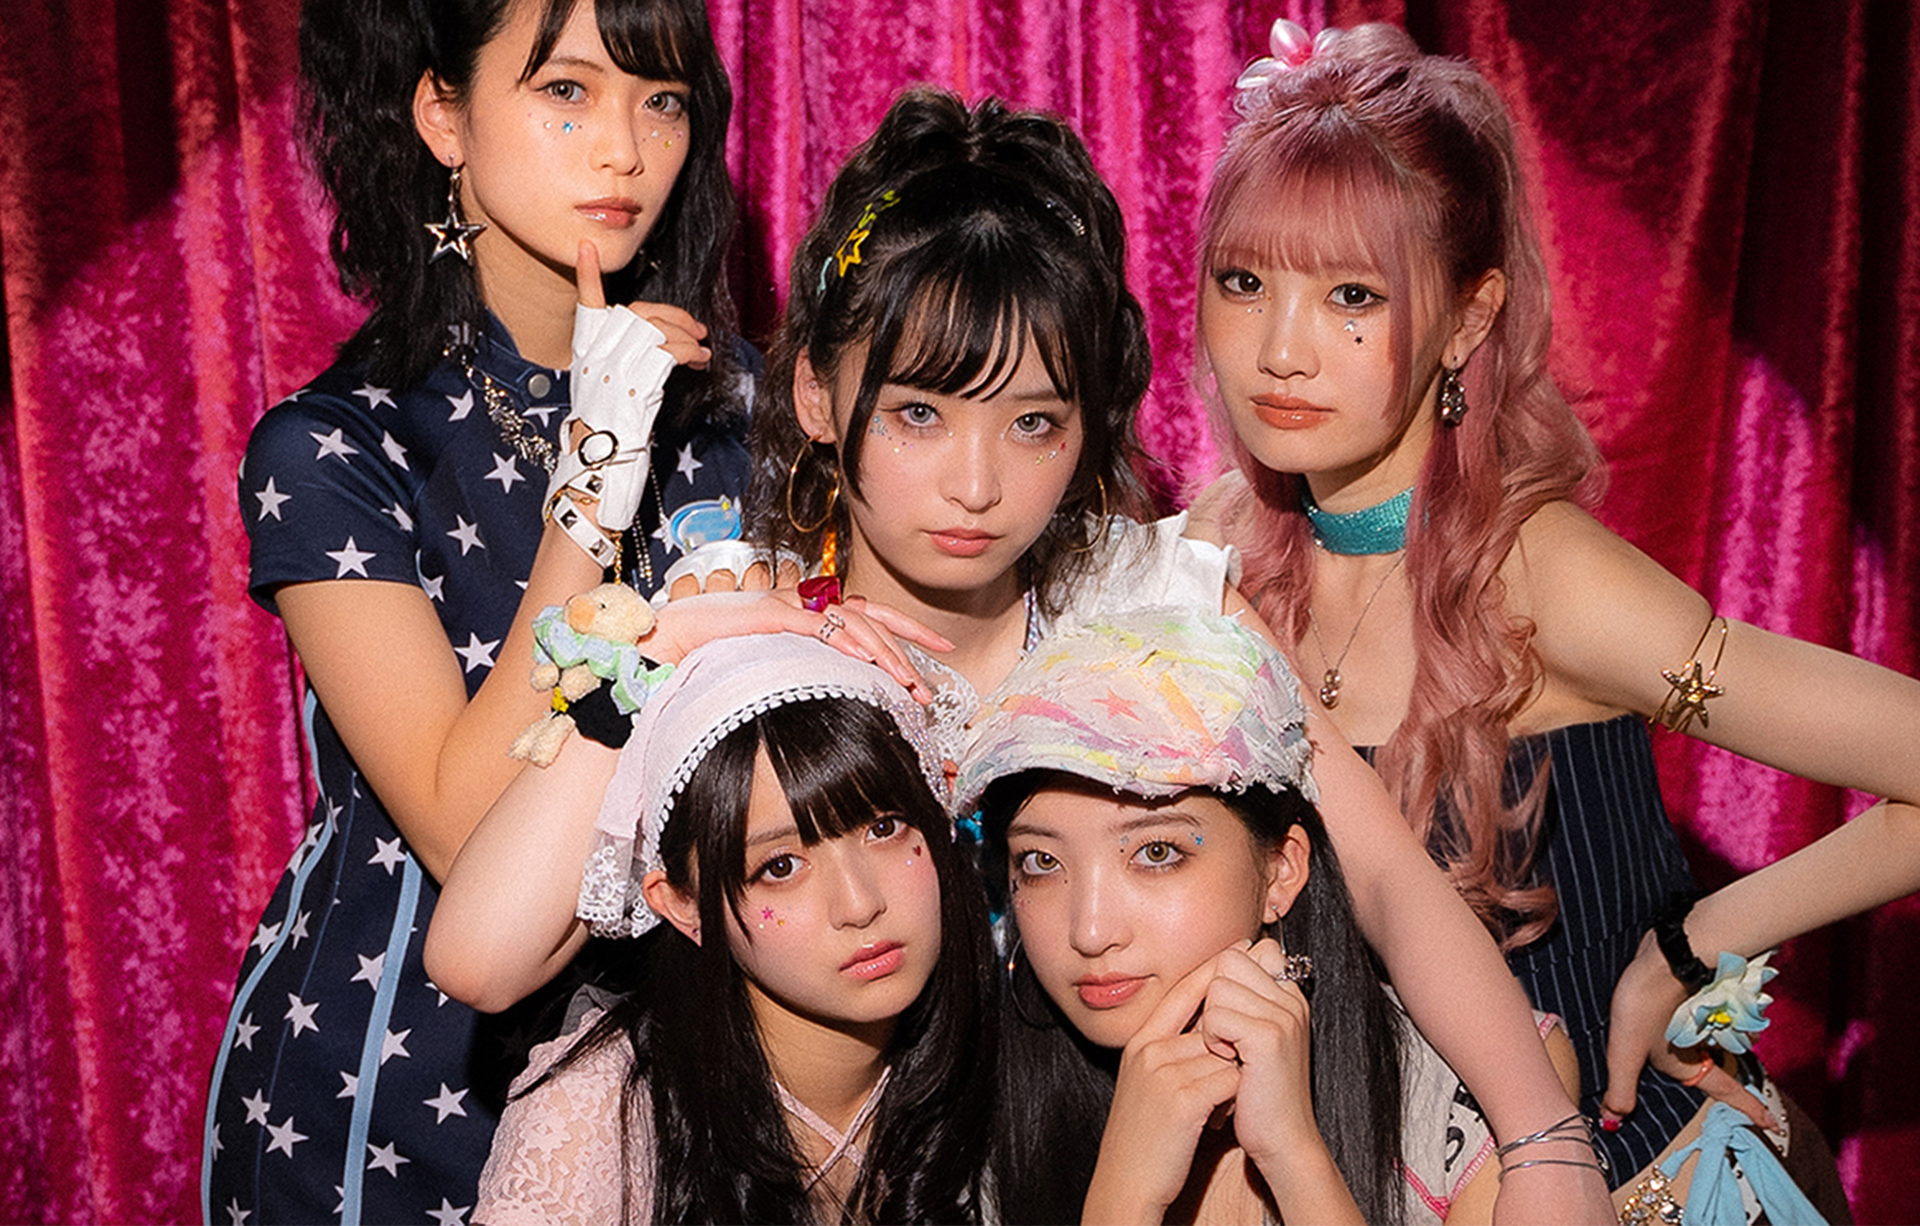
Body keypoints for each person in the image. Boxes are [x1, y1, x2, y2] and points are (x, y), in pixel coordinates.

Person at [430, 85, 1611, 1220]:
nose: (979, 484)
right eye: (920, 414)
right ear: (820, 395)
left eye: (1034, 422)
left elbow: (1387, 877)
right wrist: (680, 640)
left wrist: (1544, 1139)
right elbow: (483, 962)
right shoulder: (750, 636)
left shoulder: (1154, 602)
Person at [1189, 17, 1919, 1209]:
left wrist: (1691, 945)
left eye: (1352, 295)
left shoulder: (1543, 578)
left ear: (1468, 320)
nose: (1279, 348)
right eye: (1245, 282)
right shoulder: (1215, 556)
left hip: (1651, 1187)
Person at [201, 0, 798, 1224]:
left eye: (662, 100)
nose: (626, 149)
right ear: (443, 118)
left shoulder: (746, 407)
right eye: (566, 93)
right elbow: (469, 826)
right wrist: (598, 466)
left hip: (692, 1099)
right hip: (393, 1101)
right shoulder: (335, 449)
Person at [960, 608, 1564, 1225]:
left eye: (1156, 852)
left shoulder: (1462, 1096)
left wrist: (1294, 1156)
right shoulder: (968, 1122)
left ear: (1280, 870)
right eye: (1041, 861)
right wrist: (1124, 1196)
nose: (1090, 932)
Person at [472, 632, 994, 1224]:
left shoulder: (1017, 1053)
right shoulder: (599, 1115)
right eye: (780, 867)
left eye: (883, 828)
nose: (858, 904)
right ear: (683, 906)